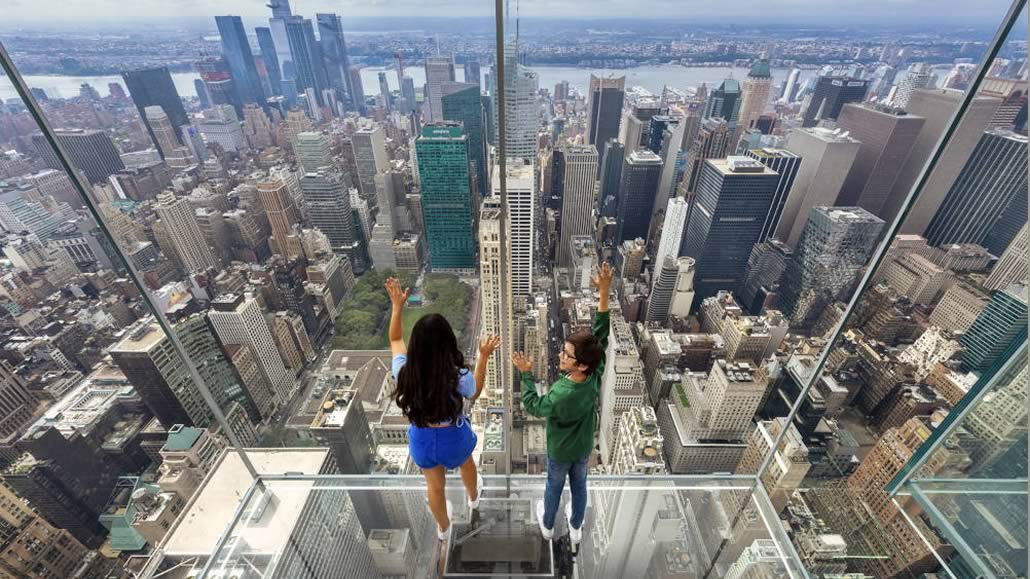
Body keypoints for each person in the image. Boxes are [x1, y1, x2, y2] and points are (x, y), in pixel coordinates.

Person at [386, 277, 501, 541]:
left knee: (435, 488)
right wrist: (483, 357)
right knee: (467, 466)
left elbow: (394, 340)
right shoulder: (455, 376)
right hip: (454, 438)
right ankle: (473, 499)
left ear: (415, 346)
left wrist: (396, 307)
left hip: (423, 440)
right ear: (448, 344)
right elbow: (475, 391)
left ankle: (444, 528)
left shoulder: (405, 373)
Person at [513, 262, 612, 544]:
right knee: (580, 486)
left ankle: (547, 524)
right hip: (582, 447)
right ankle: (576, 526)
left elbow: (533, 405)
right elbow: (601, 333)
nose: (560, 356)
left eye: (567, 355)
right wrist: (603, 293)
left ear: (580, 365)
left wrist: (526, 374)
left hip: (560, 450)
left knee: (553, 488)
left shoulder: (561, 393)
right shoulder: (595, 373)